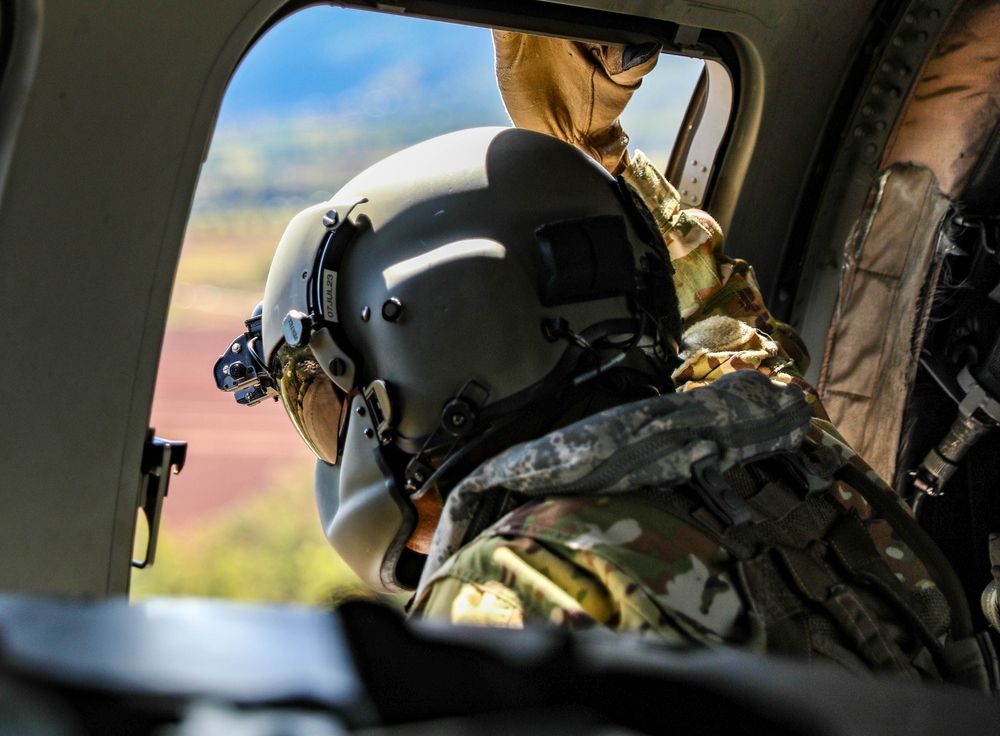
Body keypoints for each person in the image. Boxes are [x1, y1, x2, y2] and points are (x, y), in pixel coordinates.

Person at [216, 123, 995, 687]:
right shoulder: (788, 456)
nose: (334, 439)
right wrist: (601, 155)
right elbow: (725, 319)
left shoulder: (517, 596)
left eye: (325, 401)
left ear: (422, 359)